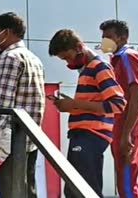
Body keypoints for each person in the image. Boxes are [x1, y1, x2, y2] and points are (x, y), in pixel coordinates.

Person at [48, 29, 126, 198]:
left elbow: (117, 104)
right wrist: (71, 106)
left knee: (82, 189)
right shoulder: (88, 69)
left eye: (67, 57)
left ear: (78, 47)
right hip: (84, 135)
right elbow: (93, 103)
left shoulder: (99, 67)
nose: (68, 62)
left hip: (91, 135)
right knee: (75, 189)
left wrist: (74, 104)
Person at [0, 12, 45, 198]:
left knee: (11, 191)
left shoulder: (9, 57)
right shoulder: (34, 59)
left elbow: (3, 104)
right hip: (29, 139)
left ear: (8, 32)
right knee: (28, 190)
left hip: (9, 140)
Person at [99, 20, 138, 198]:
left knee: (126, 182)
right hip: (120, 126)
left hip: (127, 126)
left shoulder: (127, 57)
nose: (104, 42)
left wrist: (127, 134)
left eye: (109, 37)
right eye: (103, 38)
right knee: (124, 180)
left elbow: (137, 96)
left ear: (123, 38)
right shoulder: (116, 59)